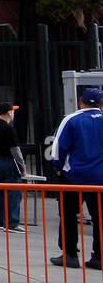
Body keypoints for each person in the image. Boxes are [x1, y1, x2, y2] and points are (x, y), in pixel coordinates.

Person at [49, 87, 103, 269]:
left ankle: (70, 254)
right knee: (100, 218)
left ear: (81, 101)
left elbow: (59, 147)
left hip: (73, 176)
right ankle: (99, 256)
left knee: (68, 215)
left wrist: (57, 168)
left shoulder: (71, 119)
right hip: (100, 178)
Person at [0, 102, 25, 233]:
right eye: (12, 111)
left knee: (0, 191)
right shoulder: (8, 128)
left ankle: (0, 221)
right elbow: (15, 149)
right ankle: (12, 223)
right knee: (14, 192)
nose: (13, 113)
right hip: (9, 161)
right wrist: (22, 166)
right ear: (8, 113)